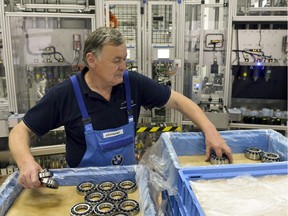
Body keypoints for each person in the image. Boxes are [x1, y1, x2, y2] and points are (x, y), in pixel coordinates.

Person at [9, 27, 233, 189]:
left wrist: (210, 130)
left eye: (125, 59)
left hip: (128, 185)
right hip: (81, 190)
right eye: (116, 60)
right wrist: (27, 162)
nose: (123, 67)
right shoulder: (66, 94)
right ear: (91, 60)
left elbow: (178, 101)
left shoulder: (132, 83)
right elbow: (20, 131)